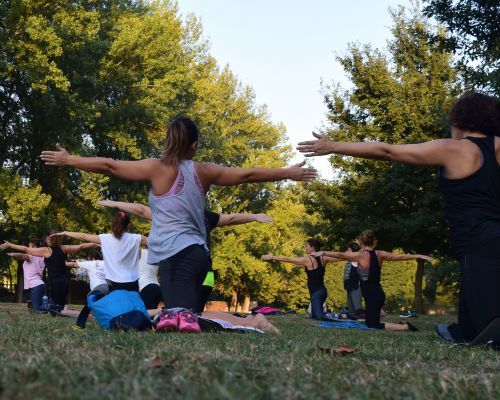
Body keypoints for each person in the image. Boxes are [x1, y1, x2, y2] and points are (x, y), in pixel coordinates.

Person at [41, 116, 315, 333]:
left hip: (178, 257)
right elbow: (247, 174)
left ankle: (253, 323)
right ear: (194, 145)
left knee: (182, 318)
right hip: (197, 257)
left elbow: (110, 166)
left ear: (168, 141)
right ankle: (248, 322)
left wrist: (70, 160)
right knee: (180, 316)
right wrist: (287, 173)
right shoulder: (204, 170)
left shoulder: (156, 168)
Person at [298, 92, 500, 341]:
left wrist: (335, 146)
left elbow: (388, 151)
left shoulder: (455, 149)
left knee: (487, 329)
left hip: (477, 244)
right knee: (470, 330)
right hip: (490, 241)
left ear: (460, 122)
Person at [97, 199, 274, 312]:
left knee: (197, 307)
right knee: (182, 308)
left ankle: (194, 318)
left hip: (206, 271)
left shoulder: (207, 216)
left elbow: (232, 218)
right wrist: (116, 204)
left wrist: (255, 216)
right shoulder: (171, 215)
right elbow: (142, 210)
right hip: (180, 270)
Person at [312, 230, 432, 331]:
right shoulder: (380, 253)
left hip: (373, 296)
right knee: (369, 322)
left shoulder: (359, 255)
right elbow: (400, 257)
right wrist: (420, 256)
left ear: (360, 242)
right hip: (376, 294)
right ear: (374, 241)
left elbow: (340, 255)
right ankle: (401, 325)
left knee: (372, 325)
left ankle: (406, 327)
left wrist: (322, 252)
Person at [0, 233, 97, 315]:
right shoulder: (64, 248)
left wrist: (10, 245)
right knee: (58, 309)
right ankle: (78, 313)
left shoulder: (47, 250)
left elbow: (26, 249)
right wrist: (97, 242)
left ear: (49, 240)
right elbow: (82, 246)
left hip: (55, 283)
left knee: (56, 310)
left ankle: (83, 315)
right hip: (64, 282)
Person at [52, 212, 148, 292]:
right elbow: (156, 242)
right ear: (129, 225)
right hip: (132, 281)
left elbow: (84, 236)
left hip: (114, 282)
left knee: (117, 308)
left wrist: (65, 232)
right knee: (132, 307)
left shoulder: (105, 238)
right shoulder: (137, 238)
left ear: (113, 225)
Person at [261, 238, 340, 320]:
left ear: (312, 248)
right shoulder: (324, 258)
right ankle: (329, 314)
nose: (305, 248)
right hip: (323, 291)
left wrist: (272, 257)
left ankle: (340, 316)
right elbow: (340, 257)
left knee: (318, 318)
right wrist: (350, 256)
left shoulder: (307, 260)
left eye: (306, 246)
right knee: (314, 316)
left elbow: (288, 259)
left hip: (316, 293)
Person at [6, 239, 46, 313]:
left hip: (35, 286)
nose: (29, 249)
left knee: (36, 309)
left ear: (38, 248)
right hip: (38, 285)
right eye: (29, 247)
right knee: (33, 307)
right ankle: (47, 305)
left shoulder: (32, 257)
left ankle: (53, 306)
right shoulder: (41, 258)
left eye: (32, 247)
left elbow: (21, 255)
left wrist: (10, 254)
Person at [343, 242, 362, 313]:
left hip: (355, 286)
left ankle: (360, 319)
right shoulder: (350, 259)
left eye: (348, 250)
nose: (346, 252)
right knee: (351, 308)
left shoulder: (356, 259)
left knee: (357, 307)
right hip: (349, 286)